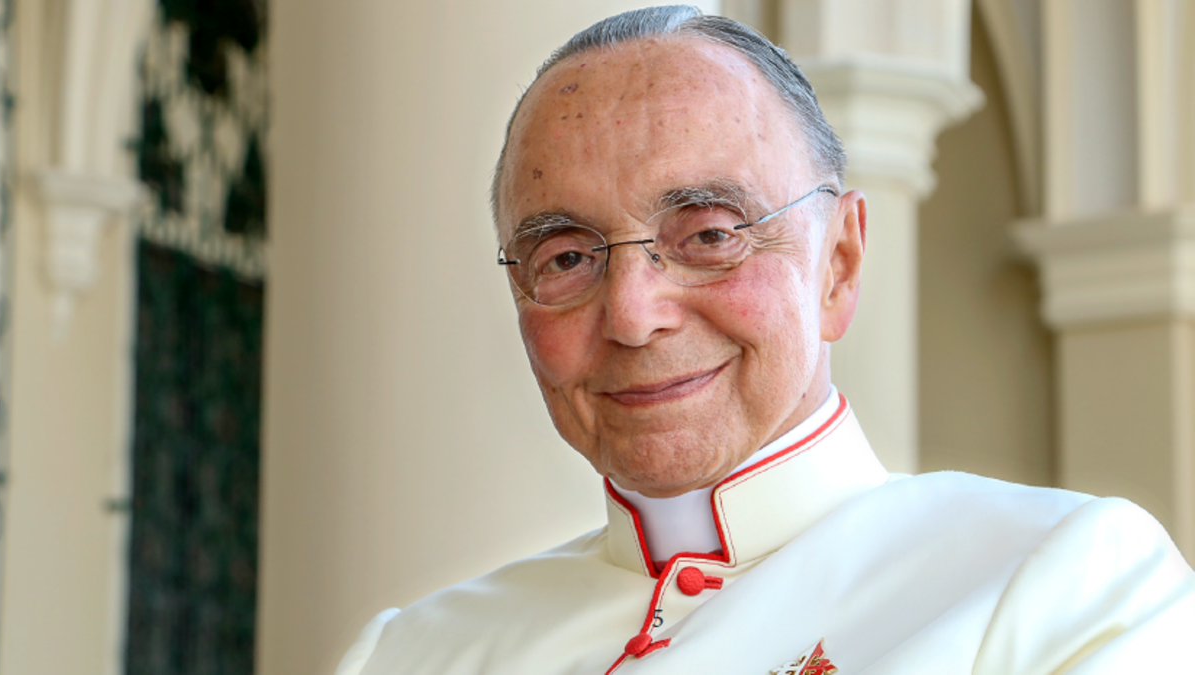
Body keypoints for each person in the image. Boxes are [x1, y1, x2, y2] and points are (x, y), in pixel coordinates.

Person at [337, 6, 1195, 674]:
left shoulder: (1059, 584)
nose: (632, 314)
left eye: (709, 234)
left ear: (838, 265)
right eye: (566, 256)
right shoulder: (411, 653)